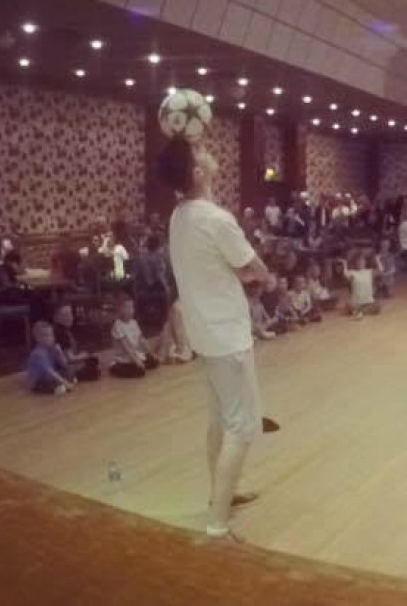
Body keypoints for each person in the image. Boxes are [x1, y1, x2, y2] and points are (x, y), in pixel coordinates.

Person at [159, 135, 275, 542]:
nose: (210, 153)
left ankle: (223, 494)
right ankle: (217, 523)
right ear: (197, 172)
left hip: (205, 333)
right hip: (226, 335)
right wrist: (260, 276)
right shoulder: (215, 218)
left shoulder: (179, 216)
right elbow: (255, 267)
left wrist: (243, 275)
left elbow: (224, 267)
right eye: (201, 153)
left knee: (219, 420)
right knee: (241, 427)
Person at [110, 296, 159, 377]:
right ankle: (115, 369)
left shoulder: (134, 323)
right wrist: (136, 360)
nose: (130, 310)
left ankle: (139, 364)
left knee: (154, 362)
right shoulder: (117, 325)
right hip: (122, 359)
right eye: (126, 307)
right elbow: (126, 346)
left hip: (135, 355)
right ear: (119, 309)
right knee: (139, 372)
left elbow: (142, 340)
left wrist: (152, 353)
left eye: (131, 307)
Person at [51, 303, 101, 381]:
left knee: (93, 361)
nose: (70, 317)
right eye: (65, 315)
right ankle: (73, 377)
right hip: (64, 367)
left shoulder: (63, 330)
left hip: (67, 364)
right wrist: (84, 355)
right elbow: (70, 358)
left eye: (71, 314)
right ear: (56, 318)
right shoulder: (61, 334)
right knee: (94, 371)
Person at [24, 322, 77, 395]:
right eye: (46, 336)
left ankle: (62, 384)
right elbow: (50, 372)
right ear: (37, 338)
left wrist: (59, 352)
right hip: (39, 381)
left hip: (50, 378)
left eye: (51, 335)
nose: (50, 338)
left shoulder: (51, 349)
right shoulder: (38, 353)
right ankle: (60, 387)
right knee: (57, 385)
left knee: (70, 369)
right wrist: (66, 382)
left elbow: (64, 364)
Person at [346, 253, 381, 319]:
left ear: (365, 263)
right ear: (356, 263)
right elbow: (346, 275)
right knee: (348, 304)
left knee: (378, 306)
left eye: (362, 261)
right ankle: (360, 311)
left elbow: (380, 270)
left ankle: (360, 312)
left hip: (369, 302)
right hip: (356, 302)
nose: (360, 263)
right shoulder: (352, 272)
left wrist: (377, 260)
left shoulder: (369, 271)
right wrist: (344, 264)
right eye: (358, 262)